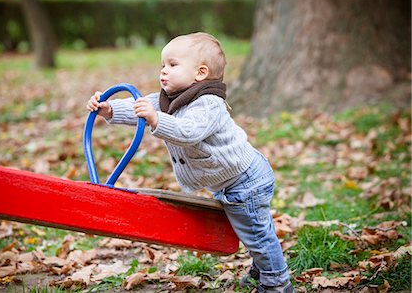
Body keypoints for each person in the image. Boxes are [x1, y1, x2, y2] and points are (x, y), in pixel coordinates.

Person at [86, 32, 294, 293]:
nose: (163, 71)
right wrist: (109, 109)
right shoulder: (167, 99)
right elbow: (138, 108)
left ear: (200, 73)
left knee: (258, 235)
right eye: (162, 65)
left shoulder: (209, 104)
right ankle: (260, 270)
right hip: (228, 181)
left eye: (172, 65)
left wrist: (156, 120)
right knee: (253, 229)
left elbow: (189, 131)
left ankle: (277, 283)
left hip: (246, 181)